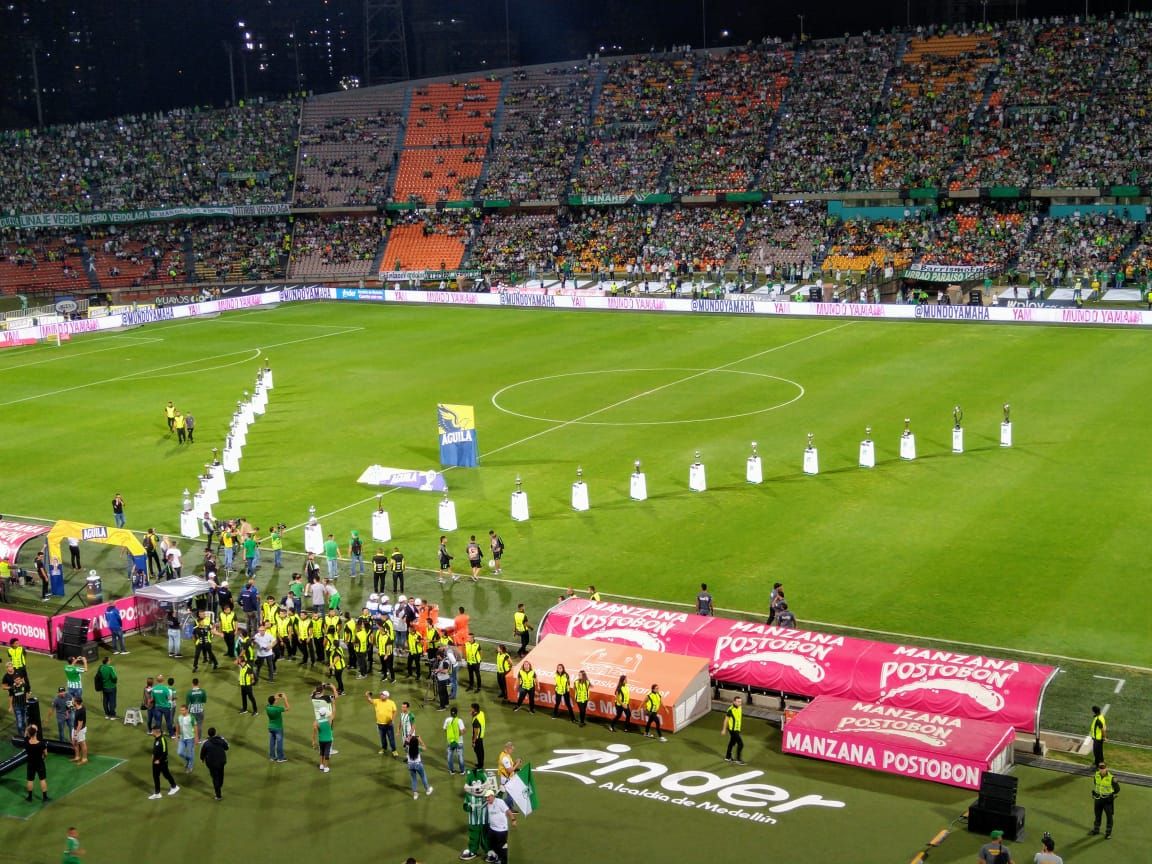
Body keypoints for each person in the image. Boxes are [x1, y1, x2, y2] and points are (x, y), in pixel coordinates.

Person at [461, 777, 490, 861]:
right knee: (474, 837)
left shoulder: (488, 793)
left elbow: (495, 800)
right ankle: (472, 850)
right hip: (473, 821)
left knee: (486, 837)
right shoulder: (469, 796)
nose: (477, 787)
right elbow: (465, 807)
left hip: (485, 821)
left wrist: (501, 792)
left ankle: (489, 851)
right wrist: (469, 807)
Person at [148, 726, 180, 799]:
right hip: (155, 762)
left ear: (156, 731)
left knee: (166, 774)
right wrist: (153, 755)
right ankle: (157, 793)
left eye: (152, 731)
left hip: (162, 762)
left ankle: (174, 787)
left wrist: (159, 760)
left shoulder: (162, 740)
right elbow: (155, 749)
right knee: (155, 776)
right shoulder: (156, 739)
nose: (151, 732)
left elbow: (165, 752)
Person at [1090, 761, 1119, 839]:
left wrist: (1110, 795)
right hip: (1098, 799)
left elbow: (1117, 789)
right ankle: (1096, 830)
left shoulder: (1112, 778)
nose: (1102, 769)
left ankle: (1108, 833)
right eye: (1100, 768)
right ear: (1098, 768)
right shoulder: (1096, 775)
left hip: (1107, 801)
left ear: (1106, 768)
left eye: (1103, 768)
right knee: (1097, 816)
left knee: (1109, 817)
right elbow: (1096, 784)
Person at [485, 789, 515, 864]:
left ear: (492, 796)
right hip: (492, 828)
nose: (487, 799)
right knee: (493, 845)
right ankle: (496, 857)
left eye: (488, 797)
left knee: (502, 846)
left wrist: (513, 819)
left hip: (501, 830)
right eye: (486, 797)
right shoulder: (488, 803)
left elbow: (508, 811)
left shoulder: (500, 802)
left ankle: (503, 861)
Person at [199, 727, 229, 800]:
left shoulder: (206, 743)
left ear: (208, 734)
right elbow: (226, 748)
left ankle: (218, 795)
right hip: (221, 761)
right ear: (215, 733)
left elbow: (202, 752)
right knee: (221, 775)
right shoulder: (221, 740)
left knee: (215, 778)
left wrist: (202, 759)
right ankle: (219, 785)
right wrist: (223, 740)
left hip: (212, 764)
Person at [366, 689, 398, 756]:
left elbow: (395, 711)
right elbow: (370, 701)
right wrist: (368, 695)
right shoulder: (377, 701)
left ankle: (394, 750)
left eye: (382, 695)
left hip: (388, 724)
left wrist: (392, 720)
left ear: (386, 696)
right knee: (382, 738)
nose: (381, 695)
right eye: (381, 694)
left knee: (391, 738)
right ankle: (384, 748)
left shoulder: (391, 702)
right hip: (380, 724)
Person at [22, 723, 49, 802]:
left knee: (30, 780)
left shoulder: (26, 742)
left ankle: (29, 797)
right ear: (36, 733)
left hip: (30, 763)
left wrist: (29, 728)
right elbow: (46, 754)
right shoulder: (41, 744)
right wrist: (43, 756)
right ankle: (45, 798)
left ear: (29, 734)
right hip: (40, 763)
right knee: (42, 779)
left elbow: (25, 733)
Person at [406, 725, 434, 799]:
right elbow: (425, 748)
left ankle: (415, 794)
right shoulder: (418, 748)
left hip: (410, 765)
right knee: (423, 777)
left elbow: (407, 741)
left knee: (413, 779)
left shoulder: (407, 748)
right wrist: (421, 740)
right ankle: (427, 790)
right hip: (418, 765)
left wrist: (409, 737)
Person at [312, 693, 336, 773]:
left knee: (321, 753)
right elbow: (333, 713)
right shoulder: (328, 721)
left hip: (321, 740)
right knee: (327, 754)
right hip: (328, 740)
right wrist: (333, 703)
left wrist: (313, 741)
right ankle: (326, 767)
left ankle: (321, 765)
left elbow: (314, 732)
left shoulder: (316, 722)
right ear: (325, 713)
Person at [266, 692, 289, 762]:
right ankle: (280, 758)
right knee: (279, 743)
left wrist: (276, 696)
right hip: (278, 728)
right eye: (275, 700)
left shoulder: (267, 707)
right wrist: (285, 699)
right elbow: (288, 708)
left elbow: (272, 700)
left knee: (272, 742)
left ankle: (272, 757)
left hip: (270, 727)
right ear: (274, 701)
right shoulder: (277, 709)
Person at [445, 705, 467, 774]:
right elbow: (463, 731)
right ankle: (462, 771)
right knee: (460, 756)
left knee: (449, 756)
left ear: (450, 713)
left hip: (450, 741)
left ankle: (451, 770)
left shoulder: (447, 720)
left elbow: (445, 729)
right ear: (456, 713)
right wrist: (459, 734)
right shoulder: (459, 720)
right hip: (459, 741)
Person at [723, 695, 744, 764]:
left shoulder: (740, 707)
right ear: (734, 702)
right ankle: (738, 759)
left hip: (737, 729)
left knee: (732, 742)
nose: (739, 703)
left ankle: (727, 757)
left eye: (740, 702)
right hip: (733, 730)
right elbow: (726, 720)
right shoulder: (730, 710)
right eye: (738, 702)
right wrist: (724, 729)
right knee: (740, 744)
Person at [176, 705, 196, 772]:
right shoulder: (179, 717)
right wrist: (177, 735)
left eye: (183, 710)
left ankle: (190, 766)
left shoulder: (191, 717)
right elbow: (177, 727)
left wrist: (196, 737)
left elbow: (195, 727)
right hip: (182, 738)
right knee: (179, 752)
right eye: (181, 710)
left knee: (190, 753)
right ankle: (188, 760)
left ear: (187, 710)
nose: (182, 711)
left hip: (190, 738)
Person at [71, 696, 88, 765]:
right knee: (74, 743)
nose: (72, 701)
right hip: (75, 728)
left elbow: (80, 724)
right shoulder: (79, 707)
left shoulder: (80, 712)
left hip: (79, 730)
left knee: (82, 743)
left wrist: (75, 733)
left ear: (76, 702)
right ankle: (77, 756)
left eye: (73, 700)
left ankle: (84, 758)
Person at [470, 702, 486, 769]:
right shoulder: (481, 713)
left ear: (475, 710)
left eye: (471, 709)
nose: (470, 710)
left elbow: (476, 732)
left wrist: (473, 741)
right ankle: (481, 763)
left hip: (477, 738)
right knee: (481, 750)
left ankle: (480, 765)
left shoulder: (476, 720)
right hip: (481, 735)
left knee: (477, 751)